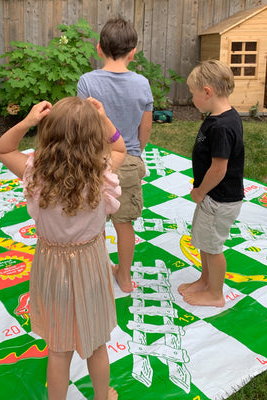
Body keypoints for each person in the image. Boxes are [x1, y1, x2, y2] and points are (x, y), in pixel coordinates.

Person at [0, 96, 126, 400]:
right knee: (95, 345)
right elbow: (120, 147)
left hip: (51, 264)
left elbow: (3, 148)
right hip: (91, 262)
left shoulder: (34, 170)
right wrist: (104, 118)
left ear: (47, 131)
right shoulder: (101, 170)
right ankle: (101, 395)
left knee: (58, 348)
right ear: (94, 135)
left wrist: (28, 120)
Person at [77, 18, 153, 293]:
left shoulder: (86, 81)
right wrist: (136, 151)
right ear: (132, 52)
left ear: (99, 48)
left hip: (95, 163)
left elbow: (84, 125)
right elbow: (146, 126)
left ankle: (92, 276)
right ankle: (124, 277)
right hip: (129, 160)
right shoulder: (143, 84)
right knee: (124, 225)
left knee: (92, 225)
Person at [178, 60, 244, 307]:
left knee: (213, 246)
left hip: (219, 197)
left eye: (193, 93)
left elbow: (219, 168)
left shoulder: (223, 126)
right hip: (213, 196)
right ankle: (205, 281)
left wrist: (200, 191)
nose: (192, 98)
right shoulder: (220, 117)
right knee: (204, 241)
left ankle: (216, 294)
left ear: (207, 91)